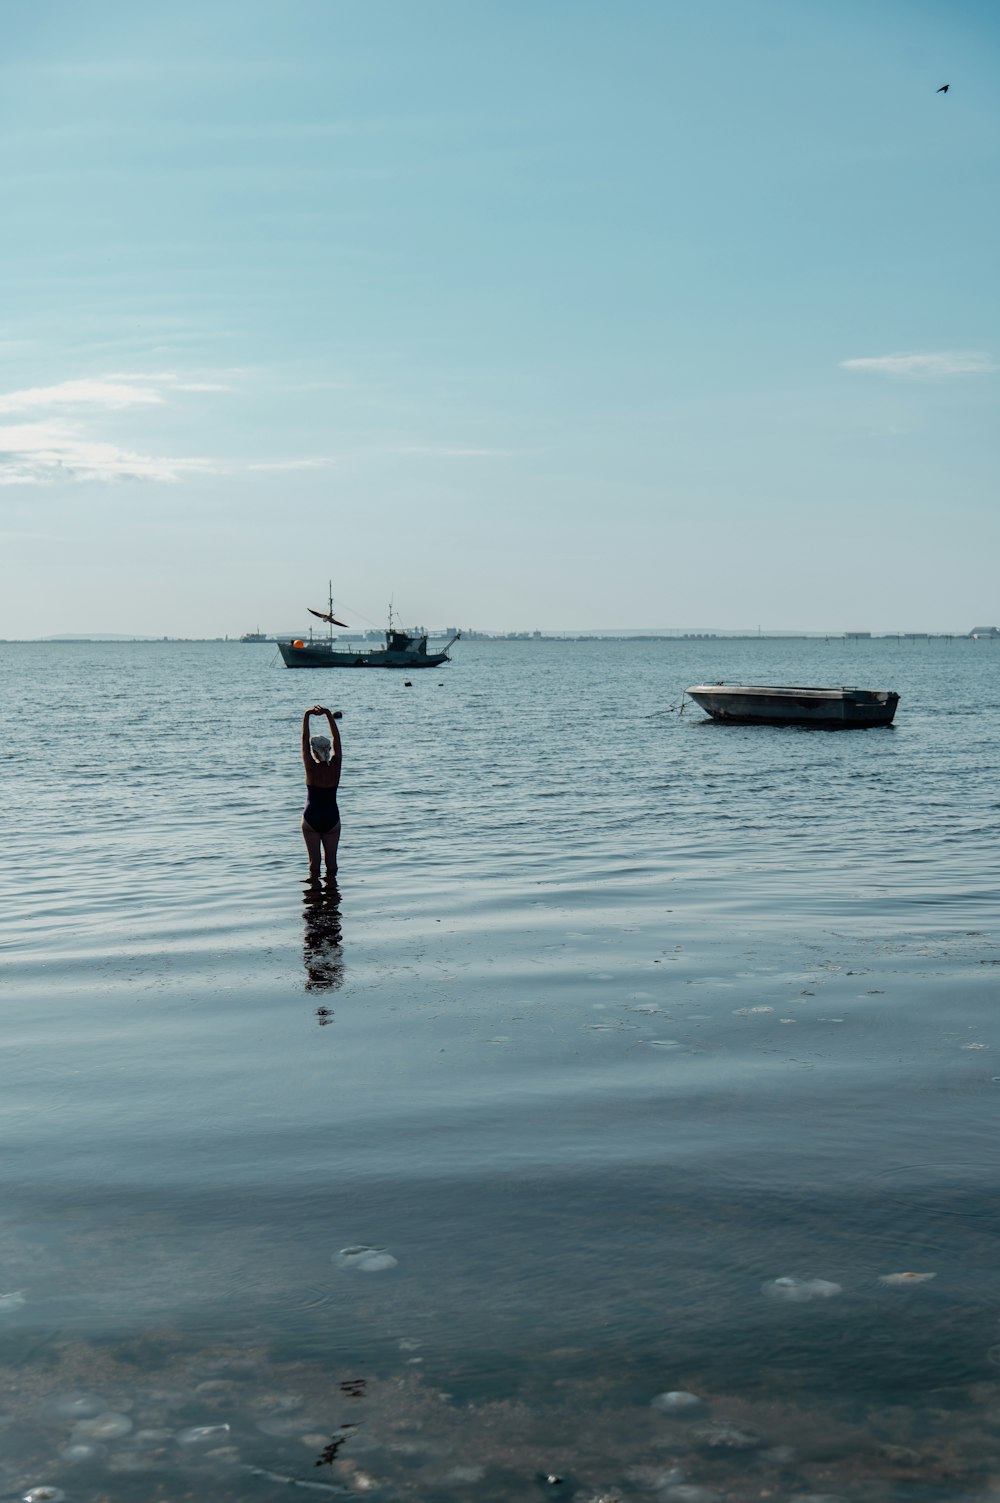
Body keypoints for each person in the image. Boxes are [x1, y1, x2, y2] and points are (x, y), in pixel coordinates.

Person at [301, 705, 342, 881]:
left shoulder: (310, 766)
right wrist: (327, 715)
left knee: (314, 865)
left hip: (311, 818)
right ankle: (333, 903)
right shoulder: (336, 766)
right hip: (332, 818)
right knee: (331, 864)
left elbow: (304, 739)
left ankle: (314, 904)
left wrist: (307, 715)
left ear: (313, 751)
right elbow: (337, 739)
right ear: (329, 750)